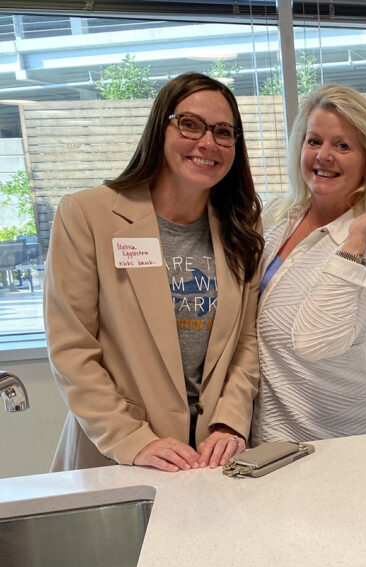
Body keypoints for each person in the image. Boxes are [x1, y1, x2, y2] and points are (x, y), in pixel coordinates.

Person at [45, 73, 263, 472]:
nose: (207, 143)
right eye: (190, 124)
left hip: (211, 455)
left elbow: (246, 342)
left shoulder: (241, 225)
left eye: (223, 132)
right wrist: (132, 439)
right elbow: (72, 349)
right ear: (160, 127)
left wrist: (229, 422)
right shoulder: (89, 215)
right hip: (119, 455)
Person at [252, 85, 366, 444]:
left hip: (344, 441)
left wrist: (354, 241)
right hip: (272, 438)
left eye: (342, 146)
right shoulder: (278, 217)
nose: (323, 156)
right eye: (314, 141)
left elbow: (315, 342)